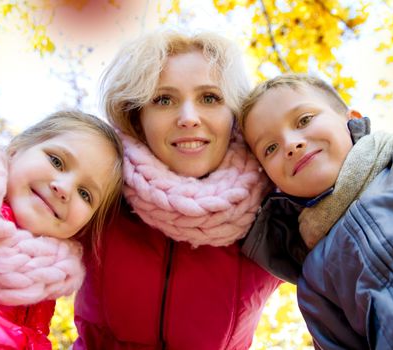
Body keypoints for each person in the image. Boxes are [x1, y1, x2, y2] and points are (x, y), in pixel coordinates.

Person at [74, 30, 282, 349]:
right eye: (163, 99)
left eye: (209, 98)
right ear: (138, 117)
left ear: (235, 117)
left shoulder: (276, 206)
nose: (188, 118)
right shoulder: (97, 189)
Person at [240, 73, 393, 349]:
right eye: (271, 147)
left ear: (352, 118)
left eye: (303, 120)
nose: (291, 144)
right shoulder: (315, 280)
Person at [0, 110, 123, 349]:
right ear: (16, 150)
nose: (65, 189)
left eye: (85, 194)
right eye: (57, 161)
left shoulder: (43, 284)